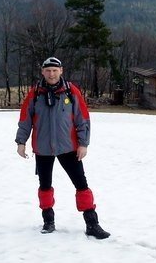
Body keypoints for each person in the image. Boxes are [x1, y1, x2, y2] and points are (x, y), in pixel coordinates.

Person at [15, 56, 110, 239]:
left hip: (69, 147)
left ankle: (92, 224)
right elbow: (25, 119)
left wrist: (83, 143)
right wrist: (21, 142)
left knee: (81, 184)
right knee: (45, 186)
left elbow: (82, 118)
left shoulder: (71, 91)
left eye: (55, 70)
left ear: (61, 71)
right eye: (48, 70)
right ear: (43, 72)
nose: (51, 74)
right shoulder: (35, 93)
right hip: (42, 149)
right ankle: (48, 222)